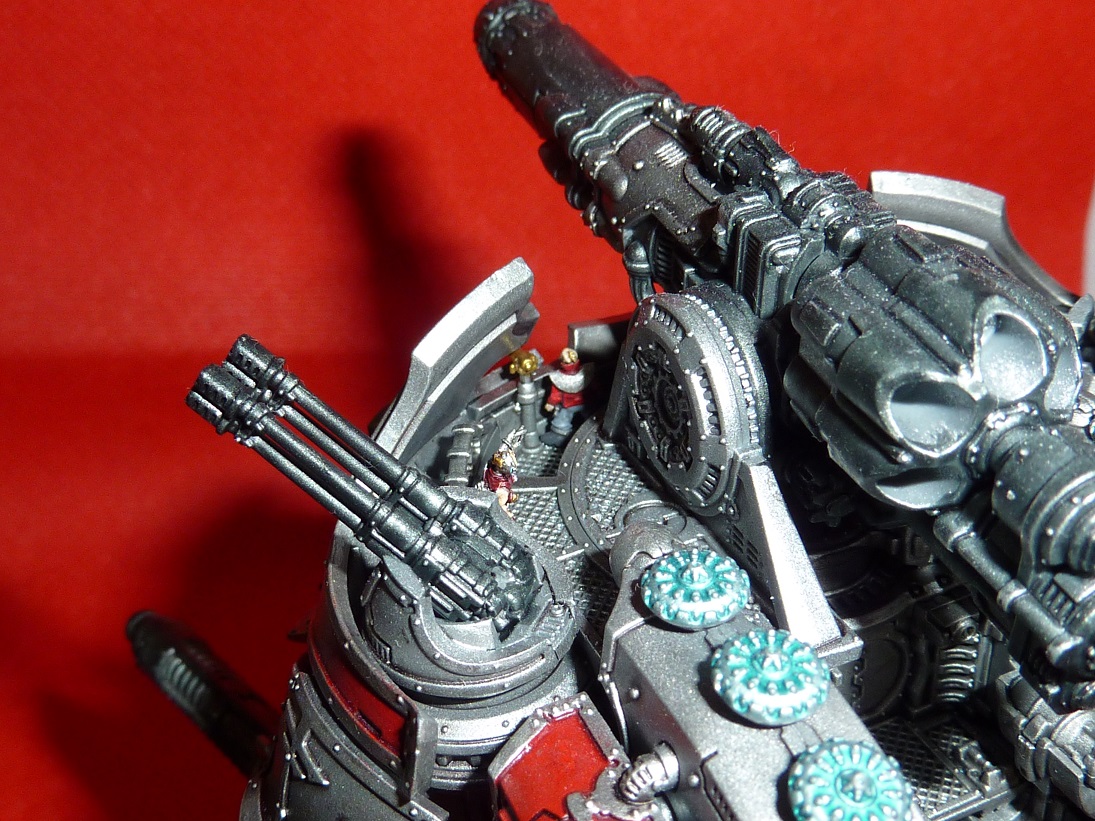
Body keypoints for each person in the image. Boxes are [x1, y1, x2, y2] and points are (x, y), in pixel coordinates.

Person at [542, 347, 589, 446]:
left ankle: (560, 435)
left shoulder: (559, 378)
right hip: (584, 402)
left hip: (568, 405)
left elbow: (556, 395)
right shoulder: (586, 372)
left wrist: (551, 403)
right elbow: (593, 387)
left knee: (562, 420)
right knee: (589, 416)